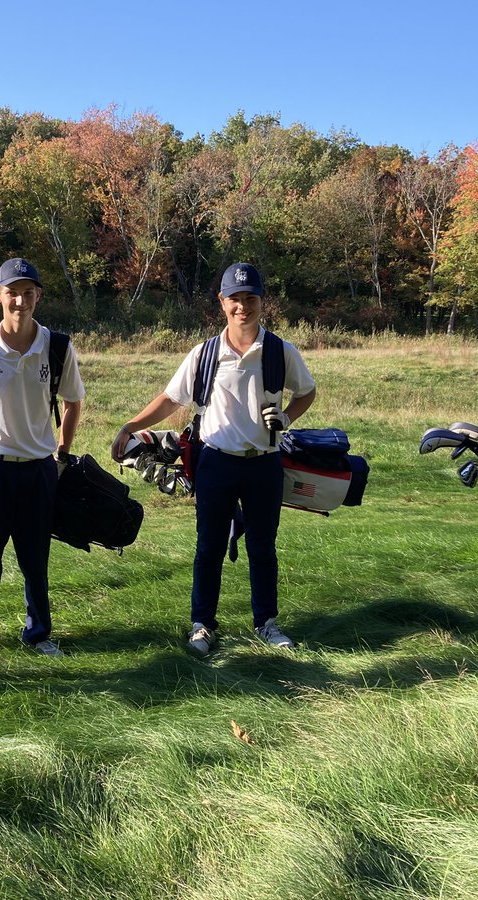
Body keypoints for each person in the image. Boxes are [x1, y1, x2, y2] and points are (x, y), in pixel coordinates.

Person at [110, 262, 316, 654]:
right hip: (216, 462)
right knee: (209, 548)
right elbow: (171, 399)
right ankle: (202, 626)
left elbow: (307, 391)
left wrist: (287, 417)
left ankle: (267, 624)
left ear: (262, 301)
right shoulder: (204, 354)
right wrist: (131, 426)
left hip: (264, 463)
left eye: (250, 298)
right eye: (235, 299)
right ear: (222, 302)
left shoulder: (279, 351)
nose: (243, 307)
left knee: (262, 548)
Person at [0, 258, 85, 658]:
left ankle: (38, 634)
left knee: (35, 556)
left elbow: (74, 402)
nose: (20, 301)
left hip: (39, 469)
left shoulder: (56, 347)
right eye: (12, 293)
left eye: (28, 293)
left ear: (38, 295)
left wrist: (62, 452)